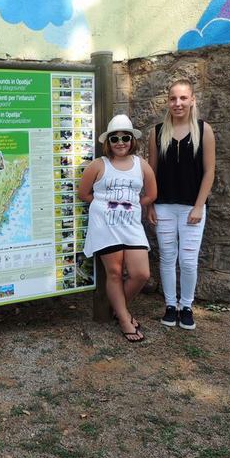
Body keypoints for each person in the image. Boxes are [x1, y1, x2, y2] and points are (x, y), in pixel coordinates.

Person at [78, 114, 157, 342]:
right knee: (114, 271)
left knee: (141, 274)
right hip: (105, 226)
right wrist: (104, 206)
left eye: (125, 137)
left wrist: (133, 204)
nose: (120, 142)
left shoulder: (141, 165)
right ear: (108, 142)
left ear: (132, 140)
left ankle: (118, 308)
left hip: (131, 226)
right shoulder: (98, 165)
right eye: (115, 138)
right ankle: (124, 318)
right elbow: (83, 193)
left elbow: (152, 194)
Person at [148, 79, 216, 330]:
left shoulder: (203, 130)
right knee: (167, 258)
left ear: (192, 100)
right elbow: (151, 172)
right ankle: (170, 305)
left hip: (192, 207)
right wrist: (150, 205)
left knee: (188, 261)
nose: (178, 103)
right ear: (168, 101)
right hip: (164, 206)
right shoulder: (157, 132)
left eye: (183, 98)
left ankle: (186, 306)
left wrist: (199, 206)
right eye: (173, 98)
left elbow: (209, 171)